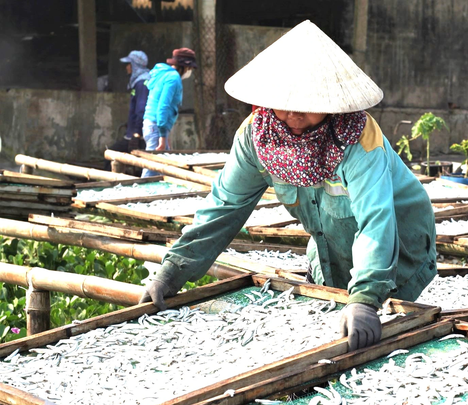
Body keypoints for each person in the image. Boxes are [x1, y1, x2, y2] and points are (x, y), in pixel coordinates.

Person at [139, 21, 437, 351]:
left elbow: (376, 222)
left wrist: (366, 298)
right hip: (330, 246)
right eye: (284, 101)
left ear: (330, 100)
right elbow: (225, 207)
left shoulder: (357, 139)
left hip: (401, 246)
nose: (293, 113)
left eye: (307, 103)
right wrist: (172, 269)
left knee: (380, 342)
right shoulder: (258, 137)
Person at [141, 47, 197, 177]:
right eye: (190, 69)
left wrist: (165, 136)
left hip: (151, 124)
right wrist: (162, 136)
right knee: (151, 166)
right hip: (156, 126)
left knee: (161, 167)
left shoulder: (163, 74)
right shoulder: (173, 78)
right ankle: (138, 195)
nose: (190, 72)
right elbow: (163, 107)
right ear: (185, 67)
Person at [105, 50, 150, 172]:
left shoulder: (142, 83)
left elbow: (141, 109)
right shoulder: (139, 81)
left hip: (138, 136)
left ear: (135, 65)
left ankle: (112, 183)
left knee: (111, 154)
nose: (127, 67)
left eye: (129, 63)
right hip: (136, 133)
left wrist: (136, 135)